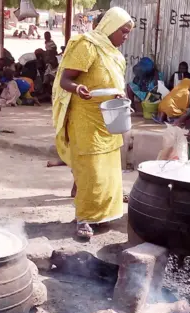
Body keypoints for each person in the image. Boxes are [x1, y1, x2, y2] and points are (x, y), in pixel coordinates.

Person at [53, 7, 134, 239]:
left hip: (109, 117)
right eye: (123, 32)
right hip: (86, 119)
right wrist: (78, 88)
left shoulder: (114, 54)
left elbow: (114, 81)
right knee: (91, 171)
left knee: (108, 170)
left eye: (128, 33)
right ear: (110, 27)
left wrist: (118, 95)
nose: (125, 37)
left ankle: (103, 214)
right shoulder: (87, 46)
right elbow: (65, 80)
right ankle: (84, 218)